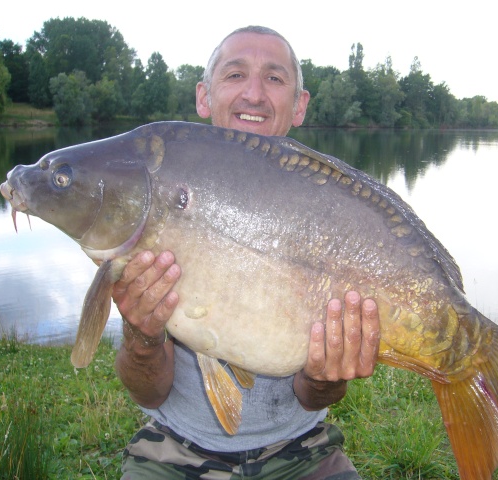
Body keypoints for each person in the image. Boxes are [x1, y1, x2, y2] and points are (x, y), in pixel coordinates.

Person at [114, 25, 381, 480]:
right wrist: (142, 337)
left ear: (299, 104)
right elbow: (148, 392)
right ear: (204, 95)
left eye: (274, 79)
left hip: (300, 448)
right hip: (175, 448)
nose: (253, 94)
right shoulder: (155, 195)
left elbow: (312, 395)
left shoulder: (329, 209)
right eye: (235, 74)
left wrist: (324, 376)